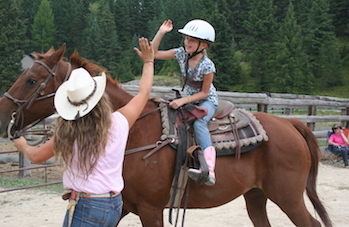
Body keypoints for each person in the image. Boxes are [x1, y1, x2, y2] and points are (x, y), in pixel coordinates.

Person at [12, 37, 154, 227]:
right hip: (114, 204)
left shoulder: (69, 133)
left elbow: (36, 156)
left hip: (86, 206)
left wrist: (22, 145)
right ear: (98, 96)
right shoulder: (119, 122)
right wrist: (148, 61)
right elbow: (144, 93)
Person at [151, 19, 218, 186]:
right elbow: (153, 53)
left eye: (192, 40)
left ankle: (209, 169)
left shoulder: (208, 66)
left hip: (206, 101)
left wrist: (183, 100)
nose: (187, 42)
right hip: (187, 98)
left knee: (200, 123)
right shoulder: (181, 53)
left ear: (203, 45)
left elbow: (204, 92)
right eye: (187, 38)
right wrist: (161, 32)